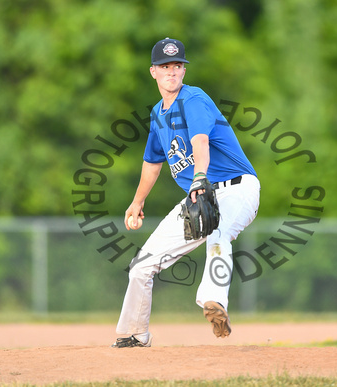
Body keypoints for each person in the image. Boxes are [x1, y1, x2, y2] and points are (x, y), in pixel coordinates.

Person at [112, 37, 260, 348]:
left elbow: (200, 142)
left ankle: (213, 300)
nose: (172, 71)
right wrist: (137, 202)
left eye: (177, 65)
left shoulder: (193, 100)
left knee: (219, 234)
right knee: (142, 266)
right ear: (153, 71)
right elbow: (152, 163)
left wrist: (200, 177)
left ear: (183, 70)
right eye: (165, 66)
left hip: (236, 188)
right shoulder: (158, 115)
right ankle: (134, 334)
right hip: (199, 194)